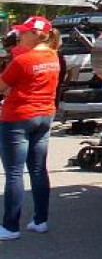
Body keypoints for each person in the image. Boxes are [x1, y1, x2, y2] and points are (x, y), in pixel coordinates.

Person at [0, 16, 62, 241]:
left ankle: (10, 226)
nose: (20, 35)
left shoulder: (23, 61)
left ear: (36, 34)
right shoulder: (54, 57)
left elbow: (2, 85)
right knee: (38, 169)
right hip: (44, 115)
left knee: (15, 172)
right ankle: (40, 220)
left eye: (25, 32)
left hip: (18, 117)